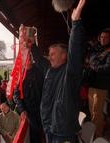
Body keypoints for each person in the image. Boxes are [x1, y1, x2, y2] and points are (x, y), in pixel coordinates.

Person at [30, 0, 87, 142]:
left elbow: (75, 50)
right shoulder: (50, 70)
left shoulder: (70, 73)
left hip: (63, 132)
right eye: (50, 54)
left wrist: (76, 24)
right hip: (49, 128)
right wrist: (31, 45)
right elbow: (39, 59)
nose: (50, 57)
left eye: (54, 54)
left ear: (64, 56)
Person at [13, 53, 44, 143]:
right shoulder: (20, 75)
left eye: (29, 56)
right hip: (28, 111)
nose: (28, 58)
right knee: (34, 134)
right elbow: (16, 95)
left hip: (42, 109)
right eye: (25, 57)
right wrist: (22, 110)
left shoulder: (39, 70)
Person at [88, 28, 110, 137]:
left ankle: (97, 136)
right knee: (92, 112)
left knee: (96, 114)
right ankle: (95, 135)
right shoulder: (97, 49)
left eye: (106, 37)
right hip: (92, 84)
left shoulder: (108, 51)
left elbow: (107, 68)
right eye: (101, 37)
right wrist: (94, 64)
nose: (103, 39)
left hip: (101, 86)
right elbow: (90, 59)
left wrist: (94, 66)